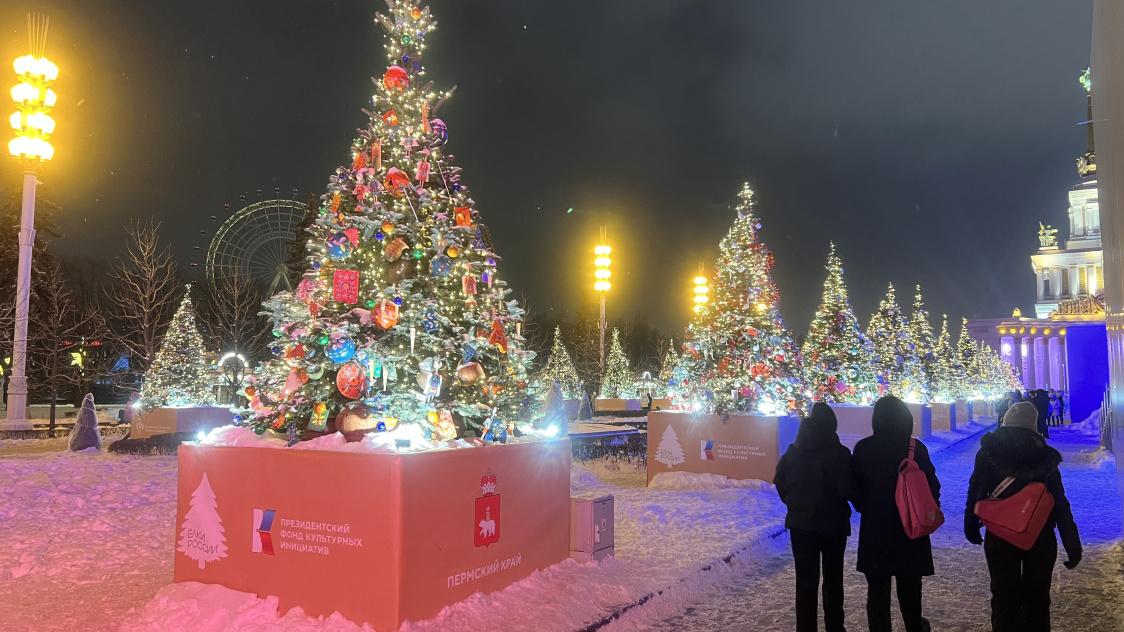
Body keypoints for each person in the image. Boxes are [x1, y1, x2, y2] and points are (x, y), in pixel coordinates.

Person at [965, 401, 1081, 631]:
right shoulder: (1044, 456)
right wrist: (1072, 543)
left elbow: (976, 489)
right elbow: (1059, 502)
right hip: (1039, 535)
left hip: (999, 535)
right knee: (1037, 599)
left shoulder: (988, 452)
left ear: (1006, 421)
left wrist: (971, 524)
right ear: (1033, 425)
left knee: (1003, 597)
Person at [851, 396, 939, 632]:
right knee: (910, 592)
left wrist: (867, 506)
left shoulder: (864, 448)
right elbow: (933, 486)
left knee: (877, 593)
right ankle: (914, 626)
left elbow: (854, 488)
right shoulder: (915, 448)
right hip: (910, 528)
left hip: (876, 530)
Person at [775, 403, 853, 632]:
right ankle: (835, 627)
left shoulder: (793, 452)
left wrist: (794, 504)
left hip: (801, 526)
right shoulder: (840, 454)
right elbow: (848, 488)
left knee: (805, 583)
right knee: (833, 581)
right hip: (834, 526)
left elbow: (780, 482)